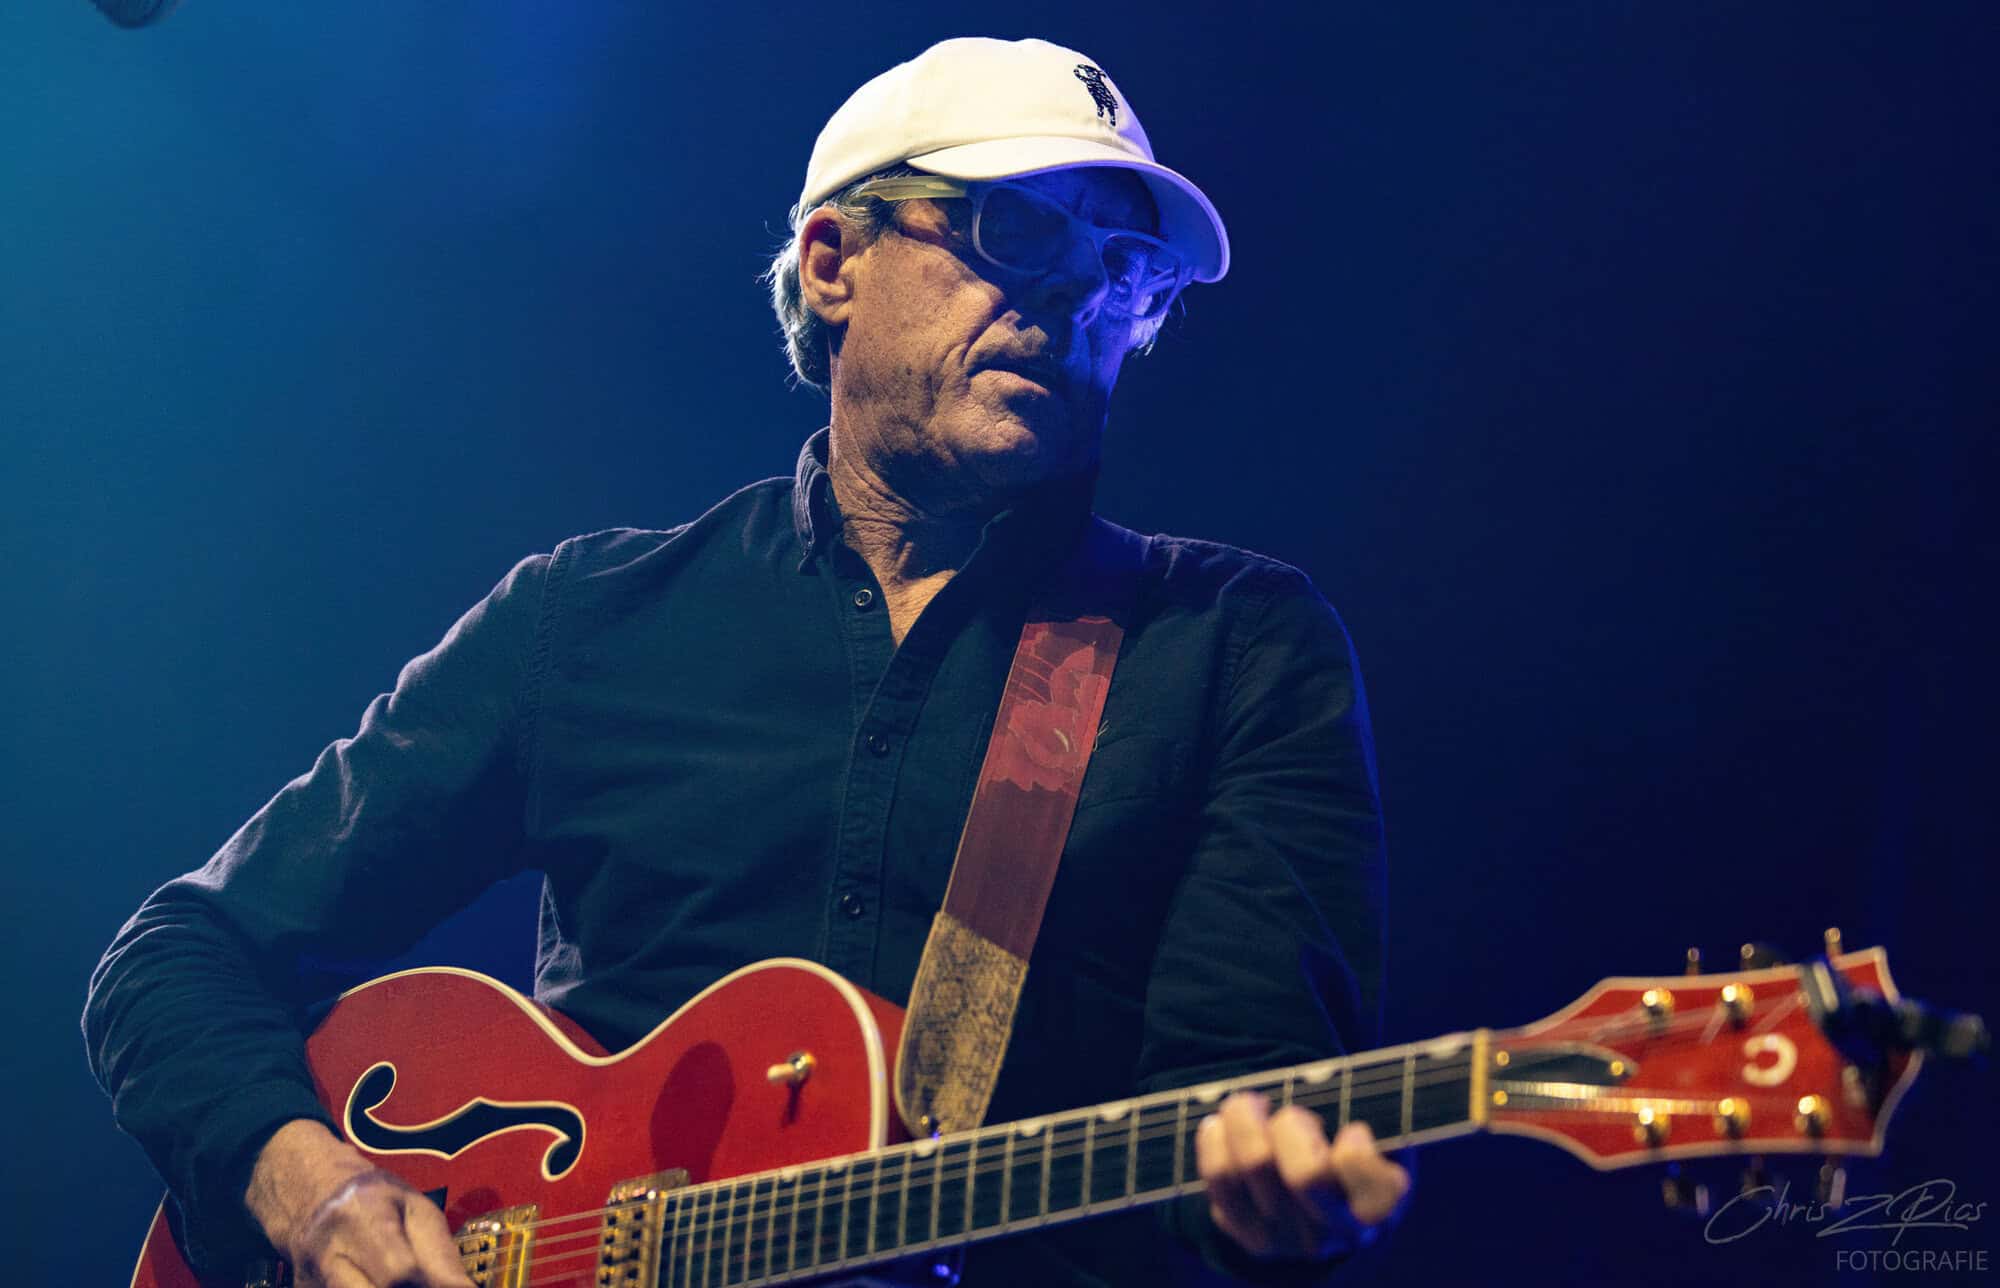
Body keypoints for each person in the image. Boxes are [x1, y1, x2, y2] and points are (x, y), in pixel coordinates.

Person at [85, 36, 1408, 1288]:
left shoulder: (1233, 647)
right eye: (1014, 231)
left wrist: (1277, 1203)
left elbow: (1253, 1106)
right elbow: (178, 956)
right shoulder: (586, 619)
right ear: (833, 262)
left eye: (1127, 270)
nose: (1077, 296)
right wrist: (317, 1195)